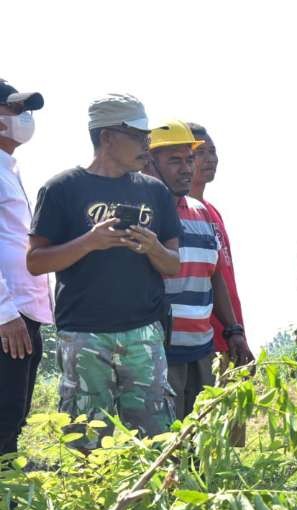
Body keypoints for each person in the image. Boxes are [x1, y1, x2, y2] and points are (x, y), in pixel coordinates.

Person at [26, 94, 180, 440]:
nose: (147, 144)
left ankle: (148, 497)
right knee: (85, 441)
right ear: (108, 136)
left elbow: (173, 265)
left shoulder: (156, 192)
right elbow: (35, 262)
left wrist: (152, 246)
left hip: (144, 332)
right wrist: (89, 242)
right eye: (139, 136)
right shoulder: (61, 188)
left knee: (155, 440)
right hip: (84, 333)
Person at [141, 121, 252, 419]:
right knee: (165, 443)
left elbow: (214, 274)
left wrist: (233, 330)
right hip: (160, 351)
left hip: (201, 349)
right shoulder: (143, 211)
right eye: (175, 161)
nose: (186, 168)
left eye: (189, 159)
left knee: (202, 441)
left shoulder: (200, 211)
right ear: (149, 163)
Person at [0, 79, 51, 456]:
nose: (23, 118)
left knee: (15, 418)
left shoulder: (9, 168)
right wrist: (4, 312)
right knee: (4, 421)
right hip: (8, 316)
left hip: (25, 312)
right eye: (14, 110)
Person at [187, 122, 247, 366]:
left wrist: (236, 330)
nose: (210, 159)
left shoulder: (211, 211)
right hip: (201, 341)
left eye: (212, 151)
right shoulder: (176, 214)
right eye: (199, 153)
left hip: (229, 336)